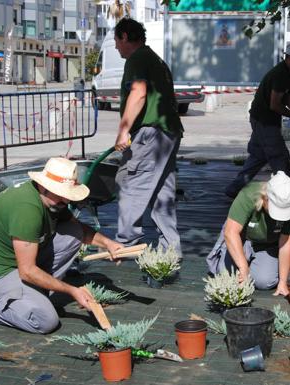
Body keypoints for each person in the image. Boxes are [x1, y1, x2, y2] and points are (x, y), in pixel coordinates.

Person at [0, 157, 124, 333]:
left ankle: (34, 292)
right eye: (61, 194)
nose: (66, 201)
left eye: (68, 195)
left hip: (18, 262)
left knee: (74, 232)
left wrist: (108, 243)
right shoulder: (27, 210)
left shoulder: (54, 201)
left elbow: (79, 228)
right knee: (44, 320)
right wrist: (72, 291)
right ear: (44, 186)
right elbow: (27, 271)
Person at [112, 18, 183, 256]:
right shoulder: (154, 59)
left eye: (116, 40)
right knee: (162, 191)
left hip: (151, 134)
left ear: (124, 37)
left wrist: (123, 129)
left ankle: (125, 244)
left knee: (132, 184)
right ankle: (170, 248)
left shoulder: (138, 59)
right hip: (168, 132)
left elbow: (139, 92)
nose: (115, 47)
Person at [225, 44, 290, 202]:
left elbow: (288, 100)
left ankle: (233, 189)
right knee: (280, 159)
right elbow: (275, 105)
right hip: (265, 121)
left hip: (263, 120)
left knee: (258, 156)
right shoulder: (280, 75)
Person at [206, 171, 290, 293]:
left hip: (268, 244)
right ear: (265, 197)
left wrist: (282, 282)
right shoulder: (248, 194)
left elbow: (286, 243)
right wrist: (243, 268)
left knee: (264, 282)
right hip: (241, 239)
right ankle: (239, 261)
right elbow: (231, 232)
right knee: (227, 277)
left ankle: (270, 267)